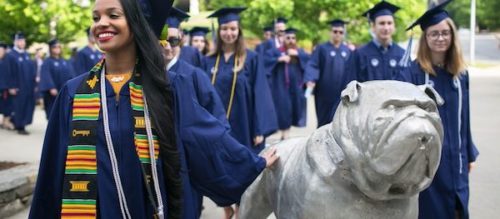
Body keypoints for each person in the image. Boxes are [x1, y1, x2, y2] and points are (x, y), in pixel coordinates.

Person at [29, 0, 278, 219]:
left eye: (113, 15)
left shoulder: (168, 88)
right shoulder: (74, 93)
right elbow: (53, 170)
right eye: (96, 17)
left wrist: (250, 163)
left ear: (137, 23)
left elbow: (203, 138)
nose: (101, 23)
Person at [397, 1, 479, 218]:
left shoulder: (460, 74)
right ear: (425, 38)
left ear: (452, 36)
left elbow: (465, 117)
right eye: (434, 34)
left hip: (457, 157)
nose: (440, 38)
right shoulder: (411, 74)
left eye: (445, 33)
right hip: (426, 162)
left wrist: (469, 152)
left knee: (457, 209)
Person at [204, 7, 278, 218]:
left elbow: (260, 93)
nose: (229, 33)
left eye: (233, 28)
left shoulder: (251, 58)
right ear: (219, 31)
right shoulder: (209, 60)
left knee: (243, 170)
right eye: (225, 28)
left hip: (244, 125)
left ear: (239, 30)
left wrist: (259, 128)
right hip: (217, 129)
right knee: (220, 170)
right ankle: (227, 210)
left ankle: (241, 210)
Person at [304, 19, 352, 127]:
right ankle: (321, 143)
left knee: (339, 122)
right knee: (323, 122)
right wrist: (310, 79)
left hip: (341, 93)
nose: (337, 34)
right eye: (335, 31)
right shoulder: (322, 48)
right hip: (323, 93)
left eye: (340, 32)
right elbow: (313, 64)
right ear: (330, 32)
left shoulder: (347, 50)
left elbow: (351, 70)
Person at [344, 1, 405, 83]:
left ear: (394, 27)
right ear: (373, 27)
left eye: (389, 23)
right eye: (382, 23)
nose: (386, 28)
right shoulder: (359, 54)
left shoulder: (402, 54)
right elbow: (351, 87)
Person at [265, 27, 309, 139]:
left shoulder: (299, 52)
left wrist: (298, 55)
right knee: (283, 109)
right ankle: (285, 136)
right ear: (283, 38)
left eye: (293, 38)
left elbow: (309, 61)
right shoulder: (275, 52)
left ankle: (285, 135)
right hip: (280, 88)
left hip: (295, 88)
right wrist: (278, 59)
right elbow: (265, 62)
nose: (290, 40)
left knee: (293, 109)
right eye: (288, 38)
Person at [6, 32, 37, 135]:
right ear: (15, 42)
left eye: (23, 40)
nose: (22, 42)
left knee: (27, 105)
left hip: (28, 85)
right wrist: (11, 86)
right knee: (19, 106)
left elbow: (32, 69)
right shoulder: (11, 55)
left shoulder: (26, 54)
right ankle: (20, 126)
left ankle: (21, 123)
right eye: (19, 40)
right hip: (18, 86)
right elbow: (8, 72)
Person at [39, 39, 76, 119]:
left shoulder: (64, 61)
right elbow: (46, 75)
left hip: (64, 91)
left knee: (65, 113)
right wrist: (51, 87)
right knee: (53, 113)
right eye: (54, 47)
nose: (57, 49)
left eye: (59, 47)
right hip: (52, 93)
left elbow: (71, 74)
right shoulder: (47, 62)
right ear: (51, 49)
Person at [0, 42, 15, 130]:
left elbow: (10, 75)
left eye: (1, 50)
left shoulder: (8, 61)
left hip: (4, 88)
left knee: (6, 106)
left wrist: (11, 86)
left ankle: (6, 121)